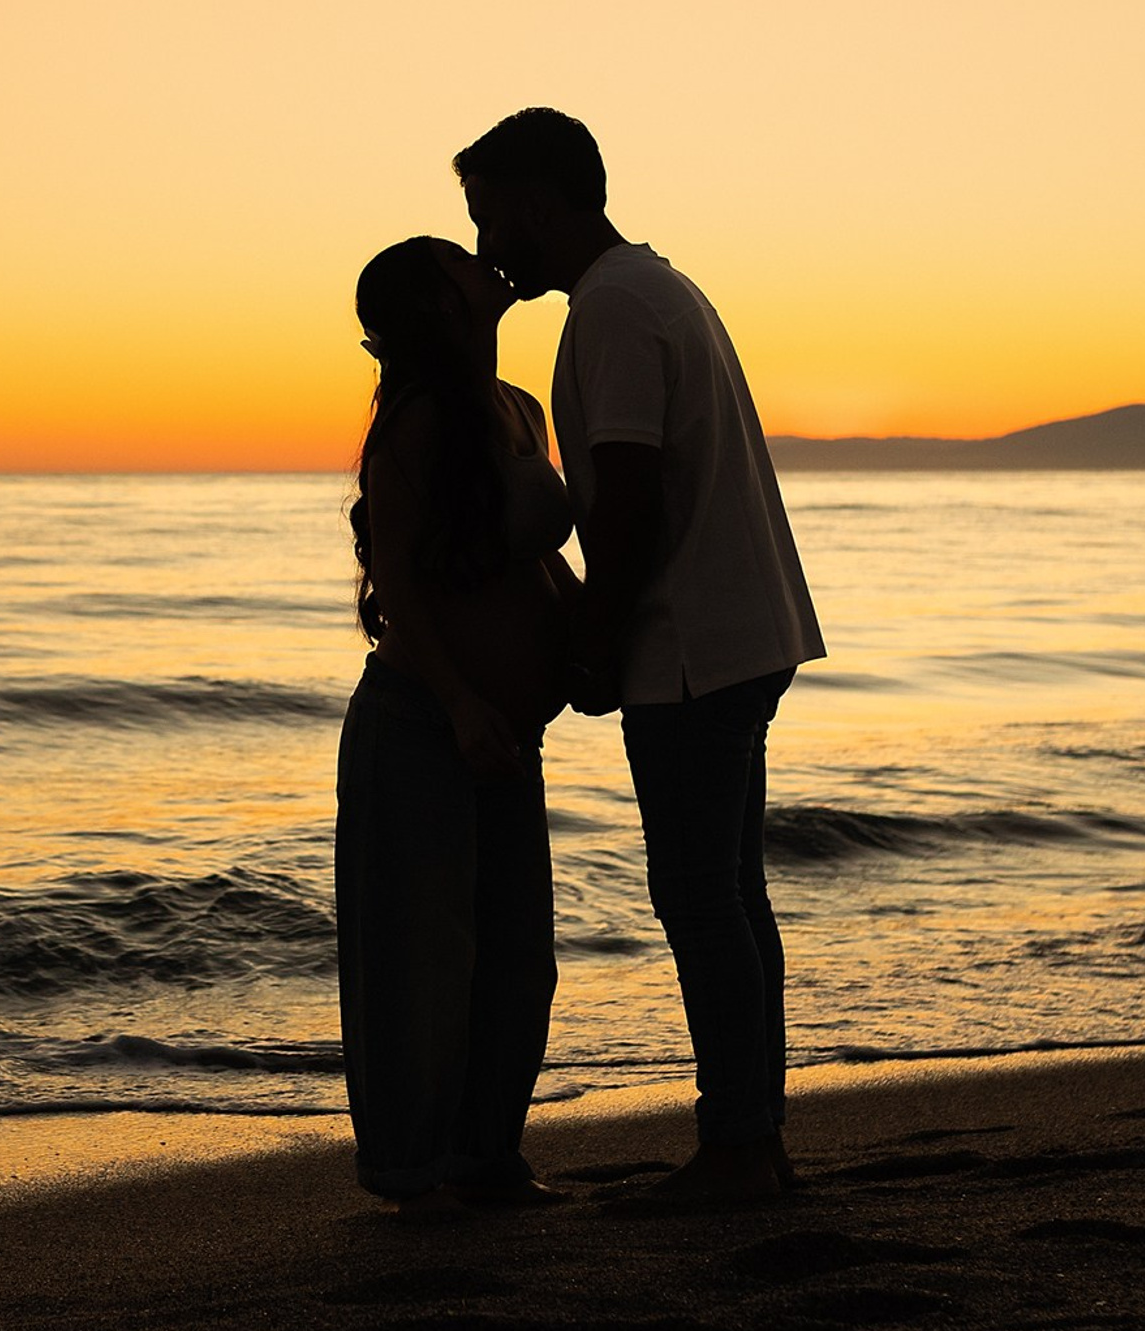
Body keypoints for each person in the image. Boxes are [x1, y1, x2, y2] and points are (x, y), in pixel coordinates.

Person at [457, 108, 826, 1213]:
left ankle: (737, 1148)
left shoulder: (612, 310)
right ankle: (754, 1137)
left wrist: (594, 640)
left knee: (701, 899)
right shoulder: (656, 289)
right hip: (742, 629)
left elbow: (628, 499)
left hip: (694, 647)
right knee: (732, 895)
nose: (484, 248)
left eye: (489, 220)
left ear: (536, 205)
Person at [336, 234, 585, 1210]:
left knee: (518, 956)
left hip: (508, 733)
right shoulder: (417, 420)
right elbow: (400, 583)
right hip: (422, 724)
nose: (484, 261)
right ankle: (410, 1170)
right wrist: (461, 703)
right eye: (459, 260)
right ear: (439, 303)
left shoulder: (515, 405)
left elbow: (535, 562)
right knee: (419, 959)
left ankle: (486, 1155)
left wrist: (588, 642)